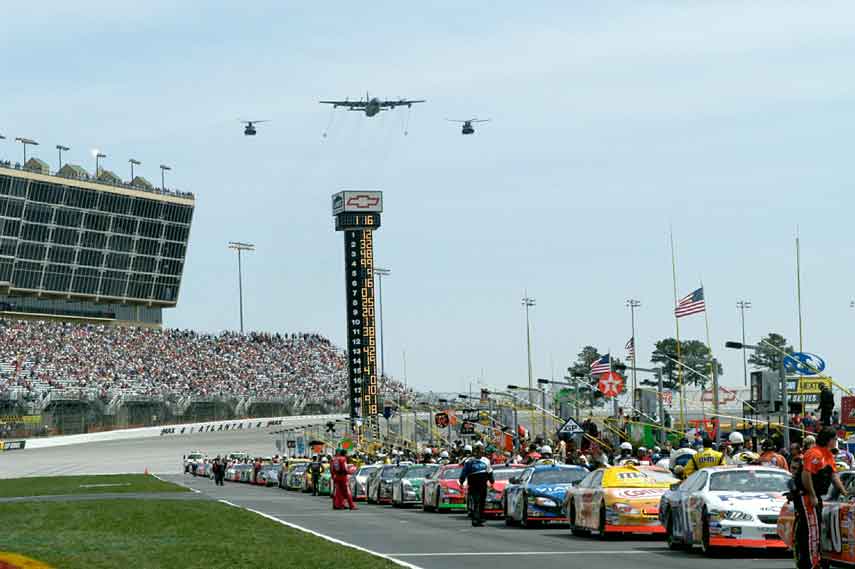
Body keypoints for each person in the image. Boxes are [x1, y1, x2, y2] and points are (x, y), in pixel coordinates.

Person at [794, 427, 847, 569]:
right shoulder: (813, 453)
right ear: (829, 439)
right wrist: (811, 495)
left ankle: (813, 560)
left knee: (815, 530)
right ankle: (812, 563)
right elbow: (806, 475)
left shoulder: (828, 455)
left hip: (816, 497)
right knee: (813, 531)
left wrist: (845, 493)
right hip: (806, 497)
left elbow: (834, 476)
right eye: (835, 439)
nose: (836, 441)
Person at [459, 444, 494, 527]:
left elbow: (489, 472)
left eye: (481, 451)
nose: (480, 453)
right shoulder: (469, 462)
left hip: (483, 484)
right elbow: (464, 472)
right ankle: (475, 519)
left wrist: (492, 480)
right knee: (476, 501)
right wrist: (461, 480)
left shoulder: (486, 461)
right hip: (473, 485)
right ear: (475, 452)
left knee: (482, 502)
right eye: (478, 451)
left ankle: (481, 519)